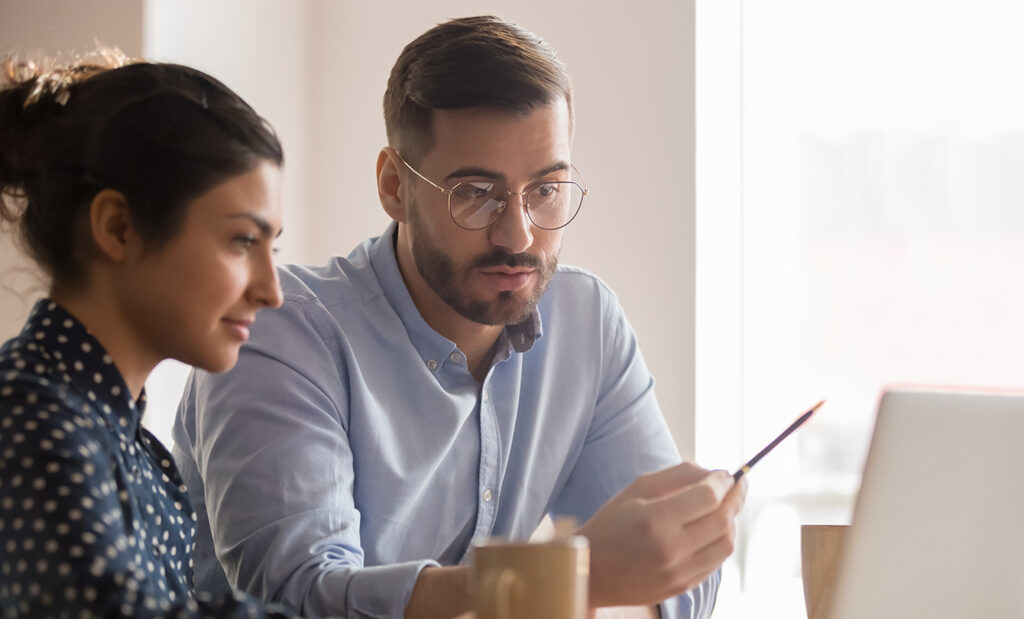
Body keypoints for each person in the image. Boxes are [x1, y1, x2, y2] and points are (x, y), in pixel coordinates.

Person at [173, 15, 746, 619]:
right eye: (477, 192)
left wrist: (623, 574)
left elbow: (676, 588)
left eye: (546, 190)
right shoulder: (281, 331)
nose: (518, 233)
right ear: (395, 186)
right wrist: (561, 583)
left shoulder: (587, 323)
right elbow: (298, 597)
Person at [0, 51, 296, 617]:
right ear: (118, 228)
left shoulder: (131, 447)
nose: (270, 290)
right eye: (241, 241)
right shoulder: (30, 421)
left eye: (272, 247)